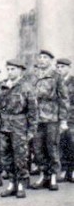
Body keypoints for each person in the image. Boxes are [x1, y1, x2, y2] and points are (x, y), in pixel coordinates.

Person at [0, 59, 38, 198]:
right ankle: (12, 183)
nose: (10, 72)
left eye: (13, 69)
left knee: (20, 156)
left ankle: (21, 185)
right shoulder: (4, 85)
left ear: (20, 70)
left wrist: (31, 130)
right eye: (8, 69)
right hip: (4, 126)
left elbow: (33, 111)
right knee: (6, 156)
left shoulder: (26, 87)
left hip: (19, 126)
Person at [30, 50, 69, 191]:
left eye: (45, 57)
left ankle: (52, 177)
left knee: (52, 147)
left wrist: (63, 120)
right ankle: (43, 175)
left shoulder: (56, 76)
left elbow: (64, 99)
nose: (41, 60)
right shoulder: (33, 76)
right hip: (36, 118)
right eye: (40, 57)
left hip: (52, 117)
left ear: (51, 60)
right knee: (38, 148)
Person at [57, 58, 74, 182]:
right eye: (58, 67)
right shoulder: (56, 82)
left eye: (63, 67)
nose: (60, 69)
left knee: (72, 143)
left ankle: (72, 170)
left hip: (72, 117)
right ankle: (63, 169)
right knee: (61, 143)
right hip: (58, 116)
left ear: (69, 68)